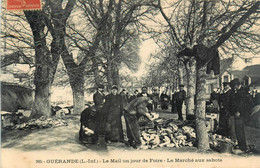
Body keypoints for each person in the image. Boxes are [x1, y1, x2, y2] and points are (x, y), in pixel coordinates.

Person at [228, 78, 253, 152]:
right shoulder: (238, 91)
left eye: (233, 86)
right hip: (237, 113)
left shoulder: (242, 92)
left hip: (241, 114)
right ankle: (241, 145)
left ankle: (243, 147)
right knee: (238, 130)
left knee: (239, 130)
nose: (233, 88)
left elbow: (243, 104)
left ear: (236, 85)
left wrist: (239, 111)